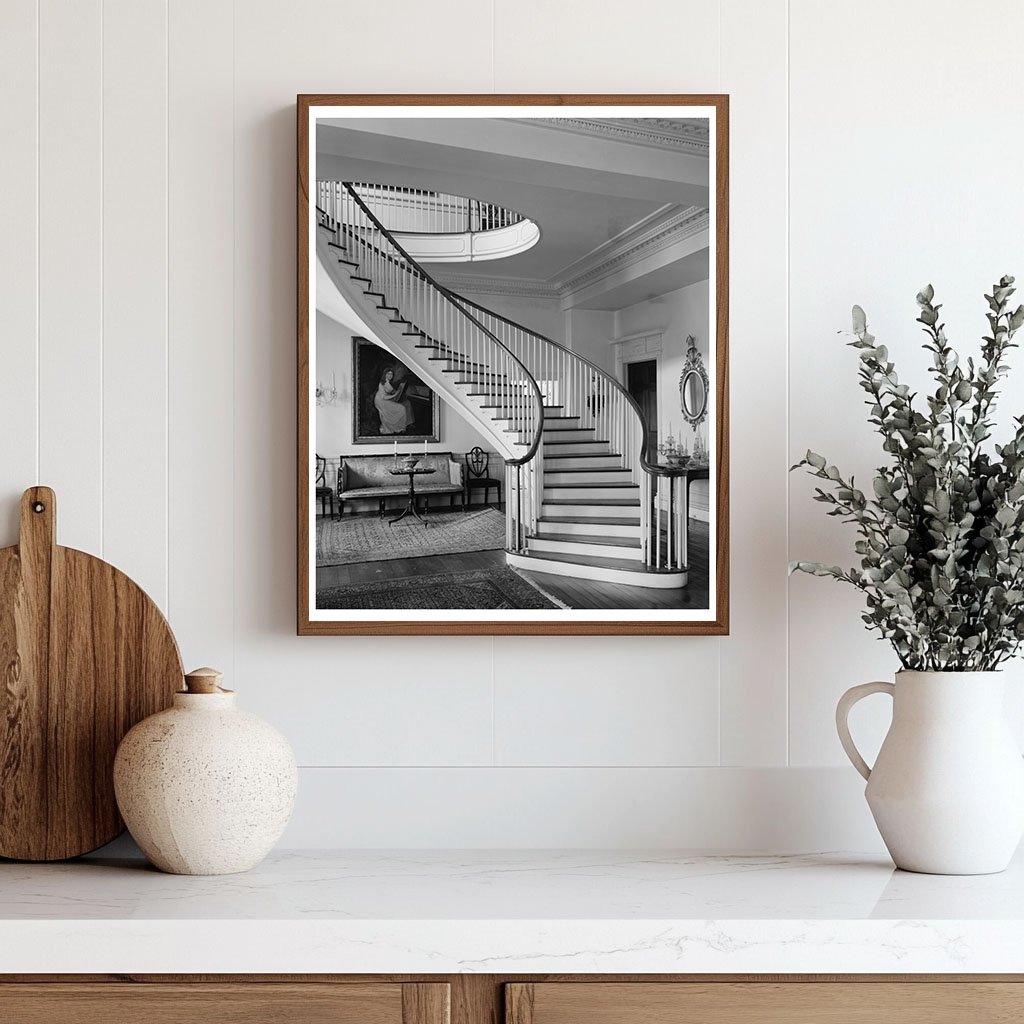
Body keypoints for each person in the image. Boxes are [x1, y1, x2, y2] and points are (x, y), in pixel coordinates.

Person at [374, 367, 414, 435]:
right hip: (381, 401)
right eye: (388, 374)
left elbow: (391, 391)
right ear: (385, 375)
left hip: (385, 399)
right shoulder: (382, 383)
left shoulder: (388, 382)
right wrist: (395, 395)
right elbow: (383, 397)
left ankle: (404, 425)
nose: (390, 376)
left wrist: (398, 391)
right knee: (402, 408)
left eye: (391, 374)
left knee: (406, 404)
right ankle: (398, 428)